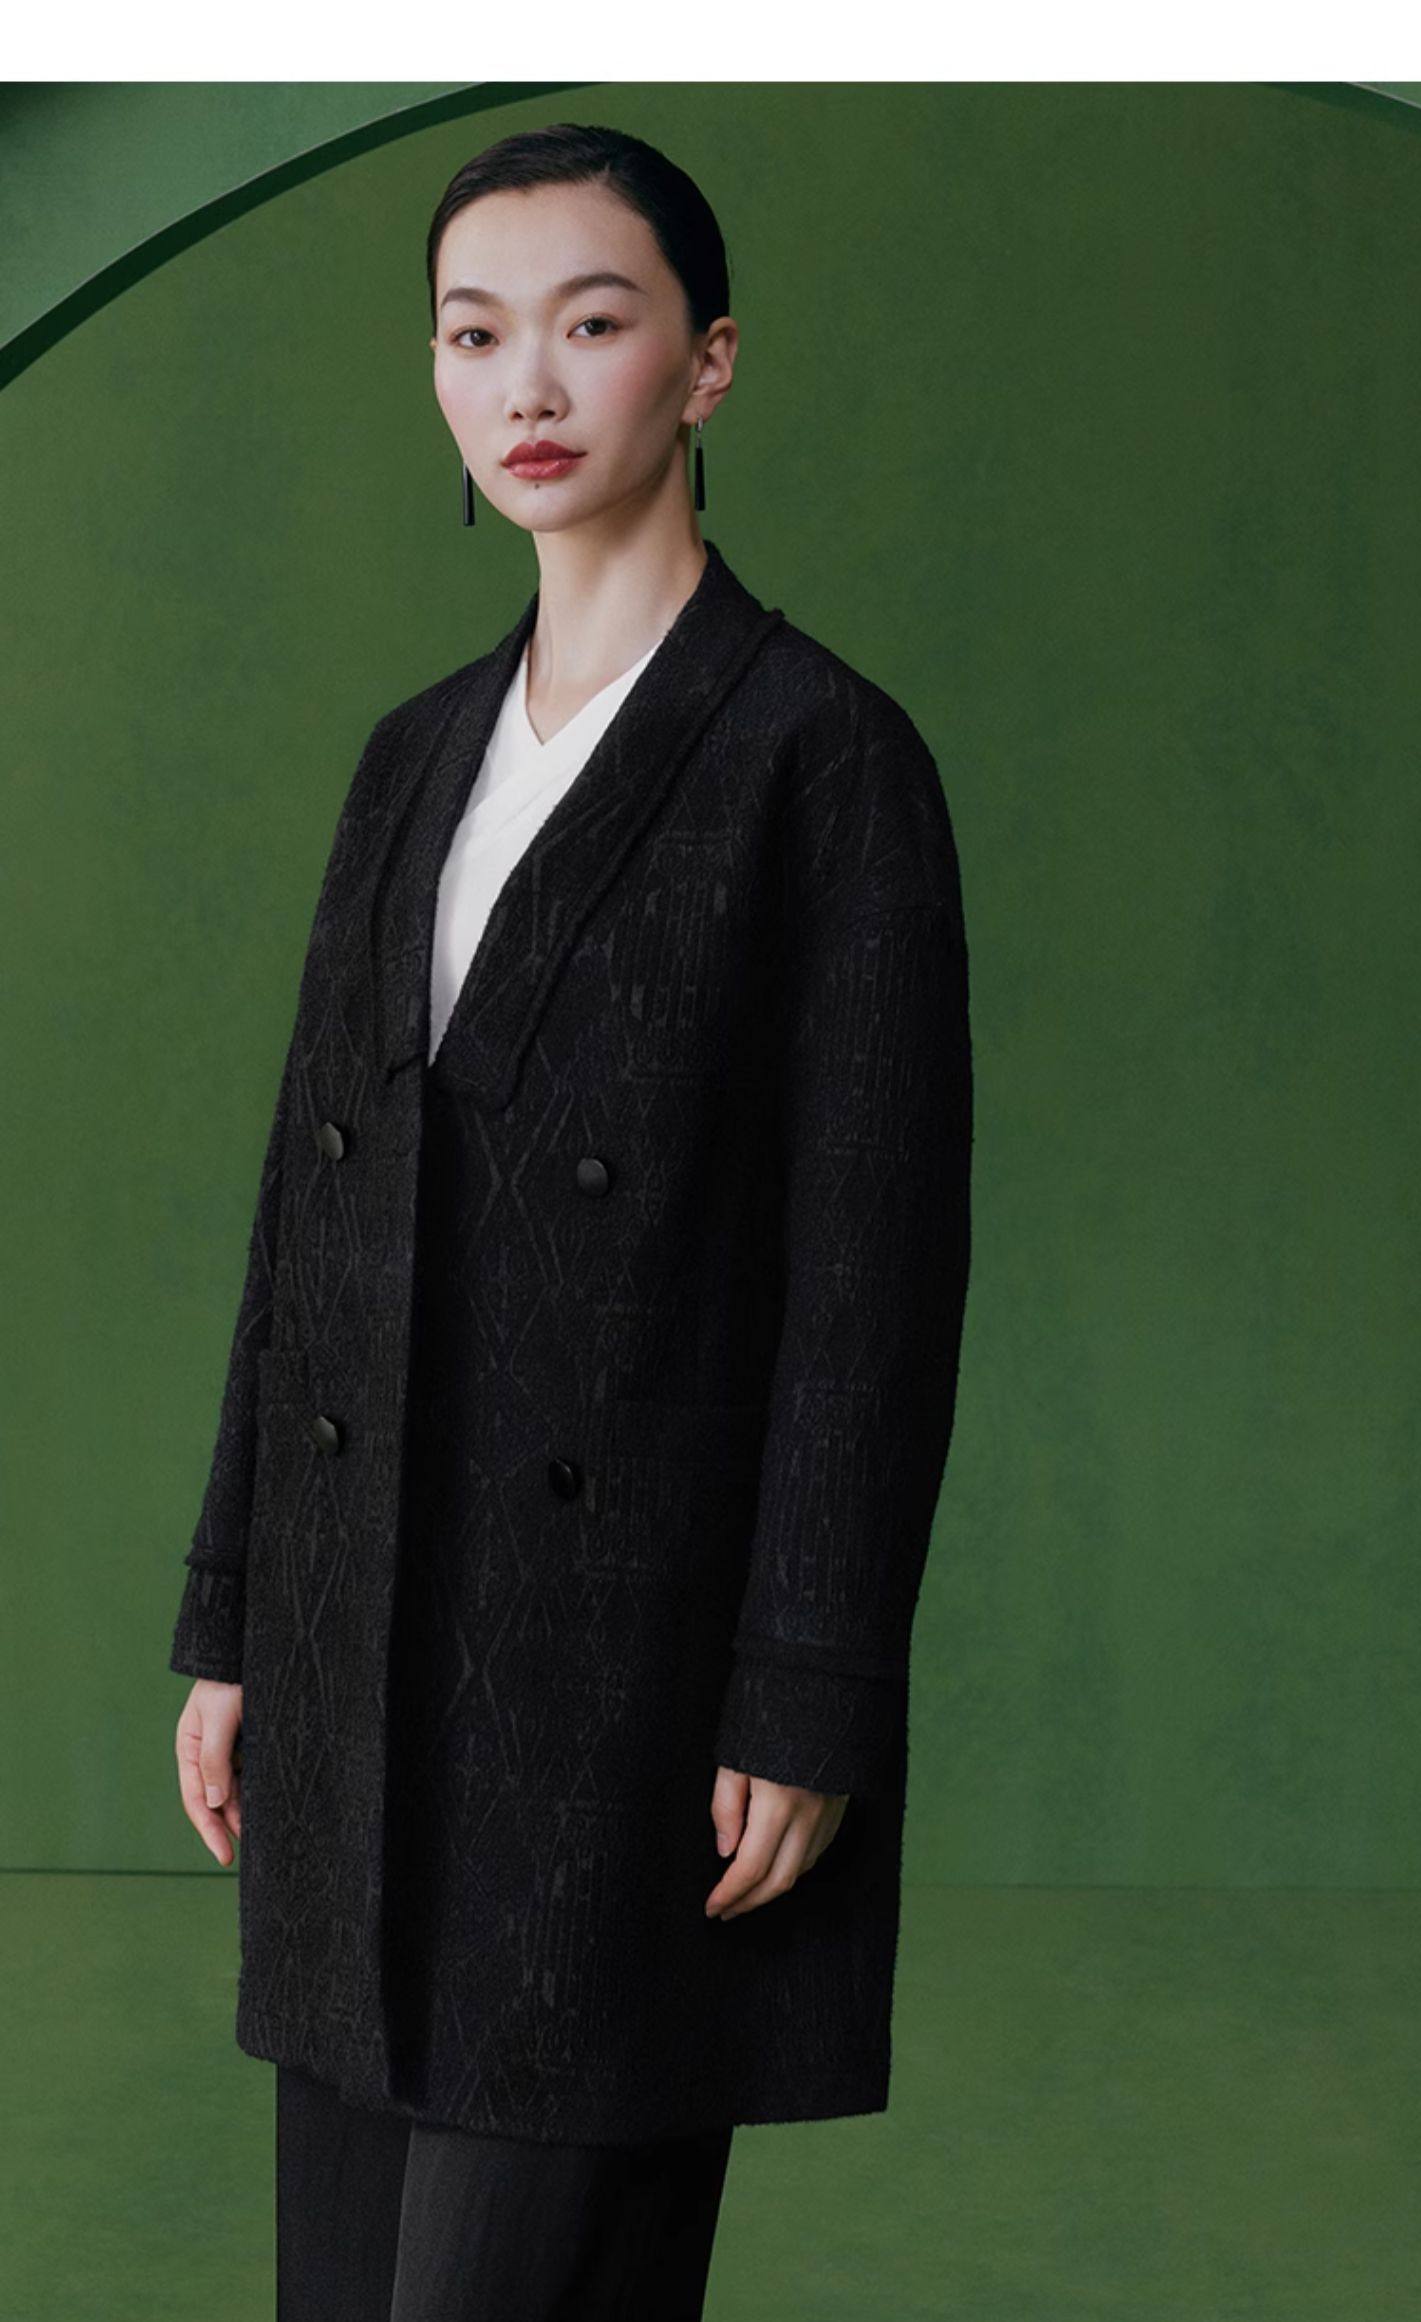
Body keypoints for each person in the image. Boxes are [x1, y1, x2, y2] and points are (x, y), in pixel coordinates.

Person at [170, 121, 973, 2320]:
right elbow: (306, 1218)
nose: (525, 382)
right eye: (473, 333)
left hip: (622, 1690)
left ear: (706, 364)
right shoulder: (406, 760)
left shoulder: (824, 761)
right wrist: (235, 1614)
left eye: (591, 323)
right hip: (354, 1661)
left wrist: (809, 1691)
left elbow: (873, 1285)